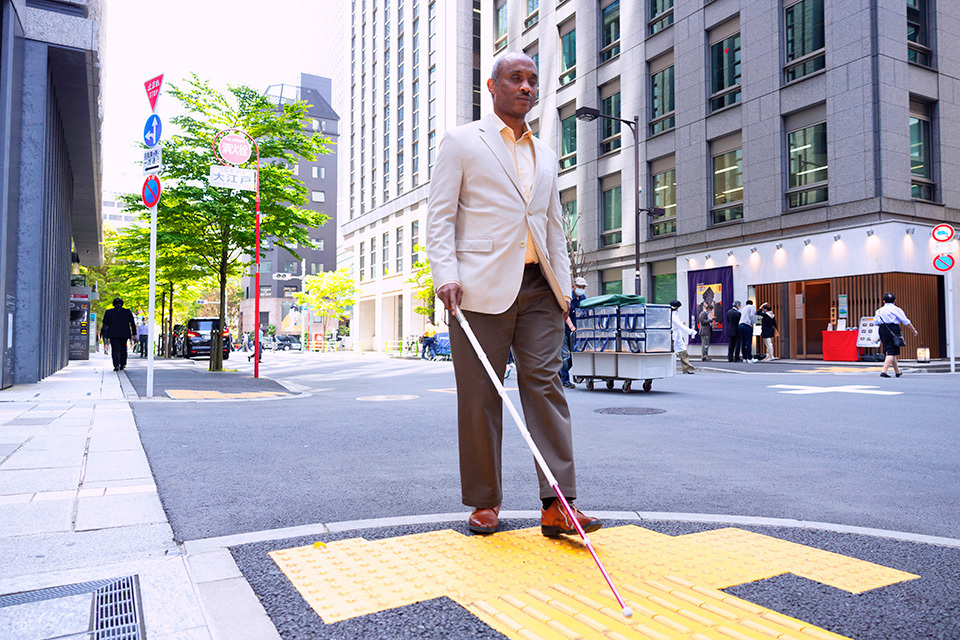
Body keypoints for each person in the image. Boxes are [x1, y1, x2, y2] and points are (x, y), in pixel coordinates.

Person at [426, 51, 601, 537]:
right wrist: (445, 275)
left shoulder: (546, 153)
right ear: (492, 86)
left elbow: (552, 227)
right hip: (476, 289)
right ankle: (485, 501)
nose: (526, 86)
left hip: (539, 287)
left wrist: (564, 293)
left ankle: (558, 504)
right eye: (516, 78)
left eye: (532, 80)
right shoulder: (462, 142)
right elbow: (439, 217)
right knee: (480, 394)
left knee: (546, 385)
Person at [874, 292, 918, 378]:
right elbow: (906, 321)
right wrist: (913, 330)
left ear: (883, 301)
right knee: (892, 350)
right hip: (893, 328)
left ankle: (897, 371)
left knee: (890, 350)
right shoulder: (896, 309)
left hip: (882, 329)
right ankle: (884, 371)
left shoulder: (879, 310)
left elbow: (876, 322)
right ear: (895, 300)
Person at [559, 276, 588, 388]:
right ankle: (565, 380)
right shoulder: (568, 297)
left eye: (583, 287)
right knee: (565, 354)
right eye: (580, 286)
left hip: (576, 331)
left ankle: (561, 373)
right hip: (565, 328)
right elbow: (565, 313)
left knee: (574, 354)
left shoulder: (583, 297)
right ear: (573, 286)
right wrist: (572, 327)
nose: (582, 289)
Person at [100, 297, 137, 372]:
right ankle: (122, 364)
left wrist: (105, 334)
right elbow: (132, 323)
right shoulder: (127, 312)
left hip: (113, 333)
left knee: (115, 349)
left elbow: (105, 323)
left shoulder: (109, 312)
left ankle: (116, 365)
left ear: (113, 304)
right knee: (123, 348)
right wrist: (134, 333)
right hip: (124, 333)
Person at [670, 300, 698, 374]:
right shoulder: (674, 316)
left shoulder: (673, 315)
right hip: (674, 337)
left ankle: (687, 368)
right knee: (676, 353)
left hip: (676, 336)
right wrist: (691, 331)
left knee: (683, 352)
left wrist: (681, 323)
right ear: (676, 308)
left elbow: (677, 325)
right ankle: (686, 368)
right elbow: (680, 326)